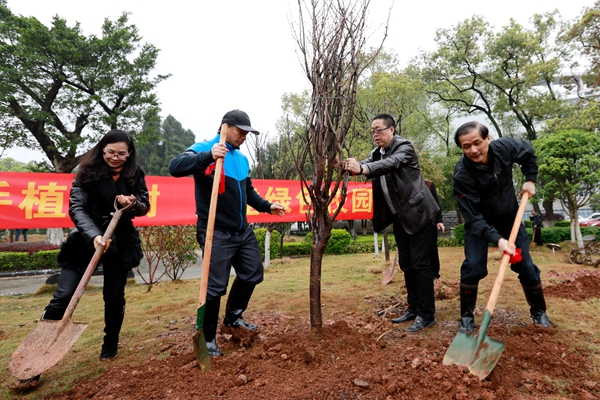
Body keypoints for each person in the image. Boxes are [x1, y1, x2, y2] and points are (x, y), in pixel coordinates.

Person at [169, 109, 286, 357]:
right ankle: (208, 338)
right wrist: (208, 156)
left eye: (247, 133)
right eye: (240, 132)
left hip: (242, 231)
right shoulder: (205, 147)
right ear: (226, 127)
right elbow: (175, 166)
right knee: (215, 286)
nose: (244, 137)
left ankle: (233, 317)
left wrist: (267, 206)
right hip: (216, 231)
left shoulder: (241, 159)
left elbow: (249, 192)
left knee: (253, 272)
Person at [41, 129, 150, 360]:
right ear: (102, 149)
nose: (115, 157)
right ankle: (41, 346)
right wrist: (93, 236)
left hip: (120, 241)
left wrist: (131, 204)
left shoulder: (135, 173)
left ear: (129, 153)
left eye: (121, 154)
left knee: (114, 296)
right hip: (85, 238)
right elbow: (77, 208)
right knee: (64, 295)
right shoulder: (86, 171)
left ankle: (110, 344)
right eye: (110, 152)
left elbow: (144, 206)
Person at [453, 121, 551, 334]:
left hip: (510, 220)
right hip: (479, 225)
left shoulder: (504, 148)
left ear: (488, 138)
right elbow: (473, 218)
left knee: (526, 266)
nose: (473, 150)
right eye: (466, 146)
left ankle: (539, 312)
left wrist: (531, 178)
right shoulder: (462, 175)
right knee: (473, 267)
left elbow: (528, 152)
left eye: (477, 143)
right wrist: (498, 240)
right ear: (461, 148)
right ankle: (466, 318)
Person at [344, 113, 440, 332]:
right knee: (406, 264)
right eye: (372, 131)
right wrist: (348, 165)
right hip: (400, 218)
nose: (375, 135)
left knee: (420, 265)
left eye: (379, 130)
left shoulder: (404, 147)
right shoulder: (377, 152)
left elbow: (390, 164)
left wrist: (363, 169)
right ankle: (413, 308)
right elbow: (368, 163)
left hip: (419, 214)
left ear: (392, 130)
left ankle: (427, 315)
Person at [424, 180, 445, 283]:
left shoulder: (428, 185)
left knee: (432, 250)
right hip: (414, 225)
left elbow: (436, 204)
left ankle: (434, 275)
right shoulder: (406, 185)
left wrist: (439, 220)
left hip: (429, 223)